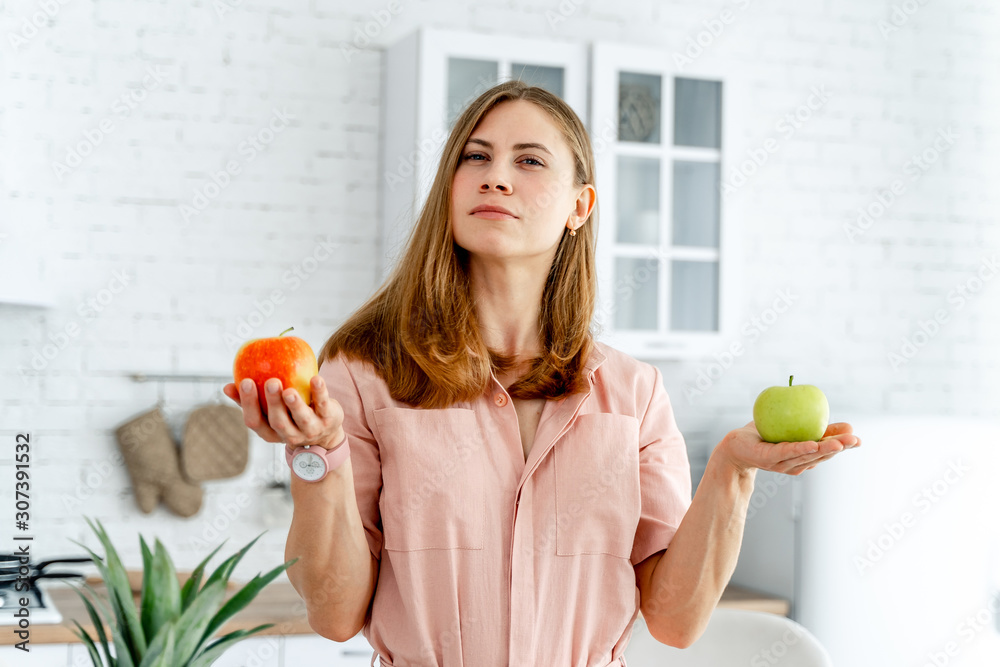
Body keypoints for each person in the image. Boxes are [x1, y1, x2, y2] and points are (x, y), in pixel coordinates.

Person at [223, 80, 861, 667]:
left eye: (528, 161)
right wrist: (317, 454)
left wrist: (731, 470)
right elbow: (335, 616)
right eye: (475, 158)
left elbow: (674, 620)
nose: (495, 177)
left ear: (580, 205)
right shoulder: (364, 374)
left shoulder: (635, 394)